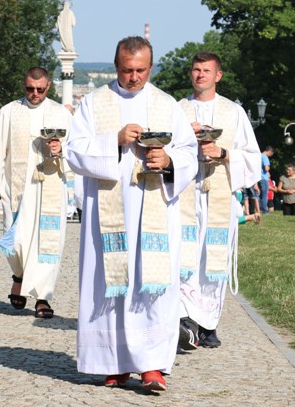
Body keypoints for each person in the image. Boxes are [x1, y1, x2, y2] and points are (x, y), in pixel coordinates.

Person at [65, 36, 198, 391]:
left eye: (140, 70)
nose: (134, 77)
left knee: (150, 284)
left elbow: (189, 153)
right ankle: (115, 362)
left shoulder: (167, 104)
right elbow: (74, 152)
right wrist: (115, 140)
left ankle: (152, 364)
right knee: (110, 285)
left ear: (150, 68)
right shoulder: (94, 103)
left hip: (154, 209)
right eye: (127, 70)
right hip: (108, 213)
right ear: (116, 66)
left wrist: (168, 161)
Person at [176, 51, 260, 351]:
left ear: (218, 75)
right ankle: (185, 319)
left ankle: (209, 323)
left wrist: (223, 154)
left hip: (220, 195)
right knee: (184, 255)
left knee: (213, 256)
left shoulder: (233, 112)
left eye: (206, 70)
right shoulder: (178, 110)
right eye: (196, 69)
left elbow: (252, 158)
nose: (200, 75)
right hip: (186, 194)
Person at [0, 67, 73, 319]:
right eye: (30, 88)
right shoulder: (9, 112)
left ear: (48, 87)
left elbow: (74, 149)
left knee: (47, 242)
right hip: (16, 187)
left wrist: (60, 149)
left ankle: (43, 297)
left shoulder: (60, 114)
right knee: (14, 241)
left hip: (48, 189)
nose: (34, 94)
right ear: (24, 85)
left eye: (40, 89)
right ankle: (19, 275)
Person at [260, 146, 274, 214]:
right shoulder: (265, 157)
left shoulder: (259, 155)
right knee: (264, 195)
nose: (270, 156)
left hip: (258, 178)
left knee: (258, 194)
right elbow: (266, 168)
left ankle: (258, 209)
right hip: (264, 178)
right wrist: (268, 169)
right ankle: (264, 210)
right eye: (271, 154)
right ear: (269, 151)